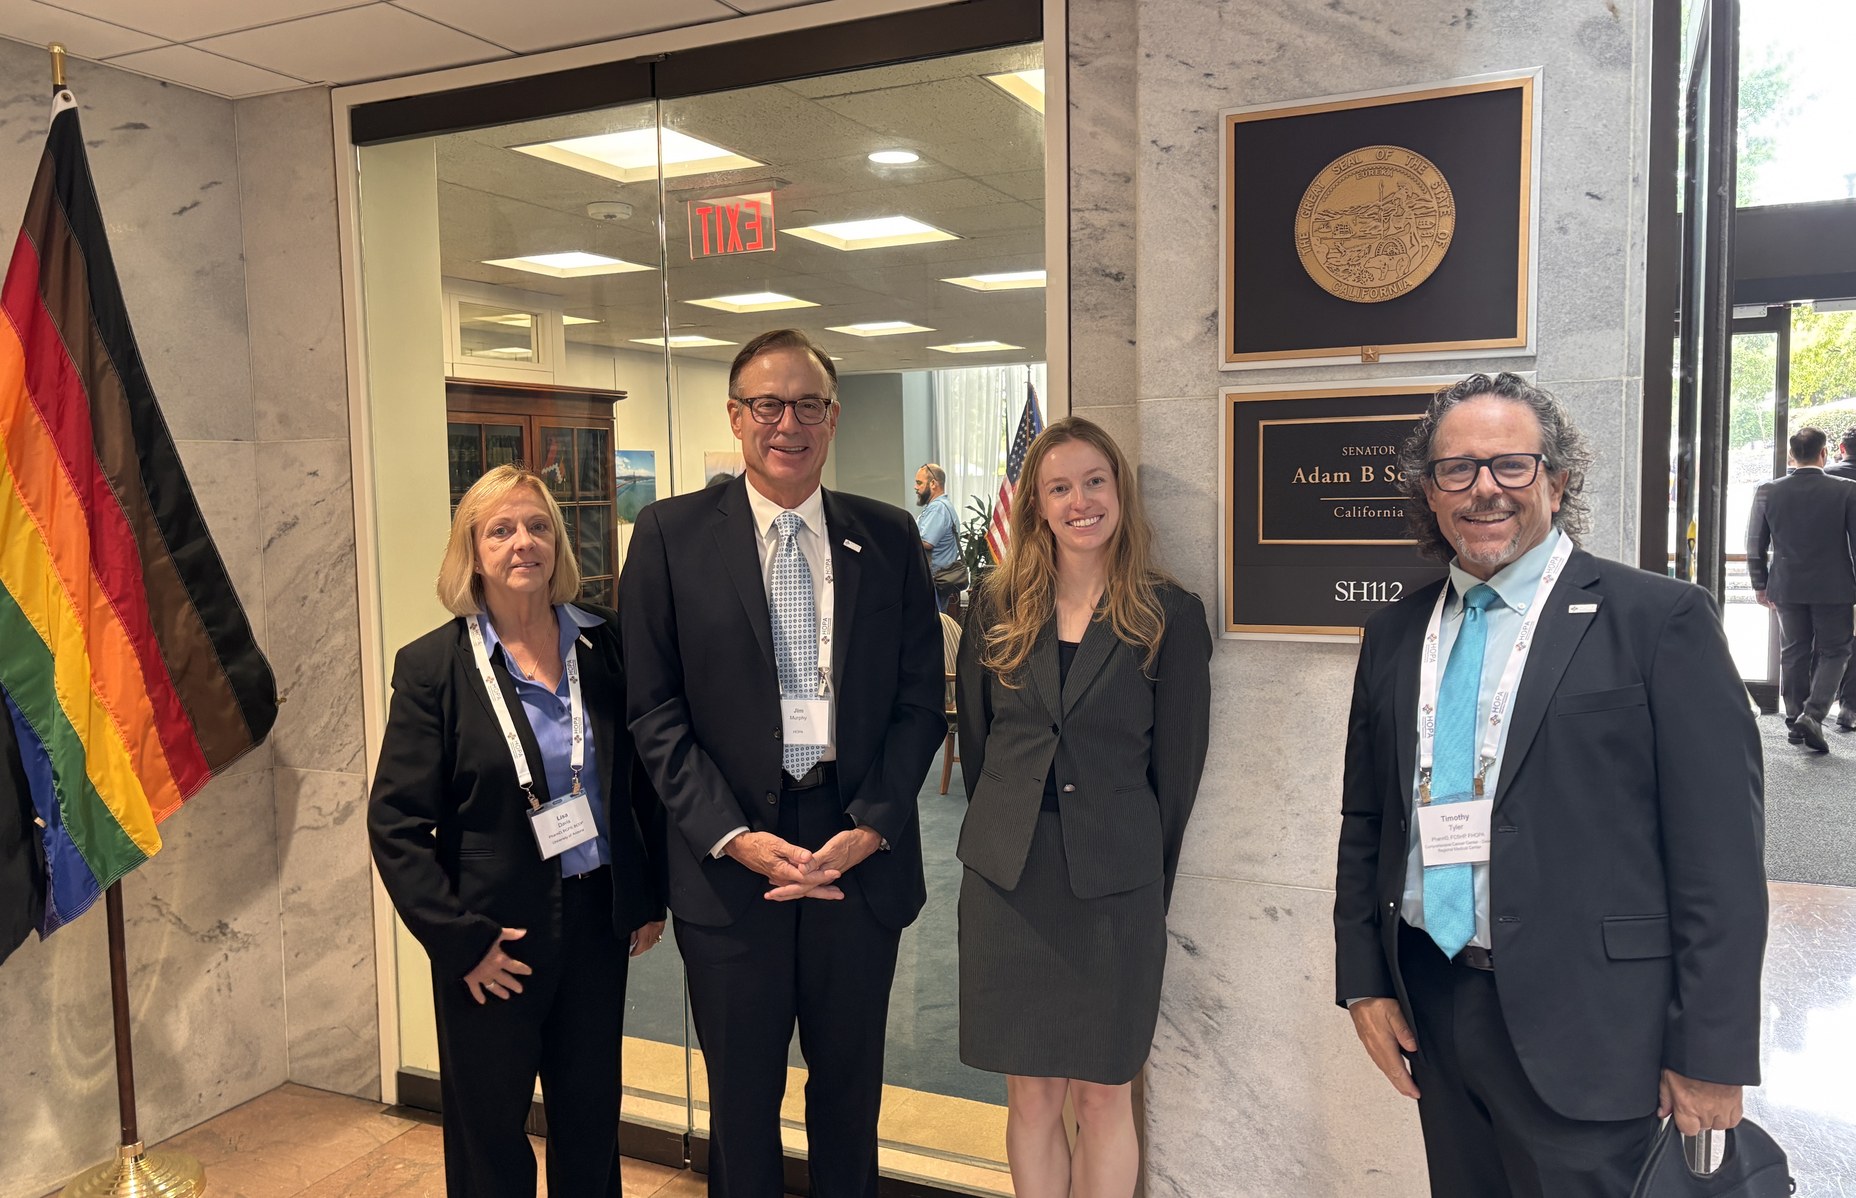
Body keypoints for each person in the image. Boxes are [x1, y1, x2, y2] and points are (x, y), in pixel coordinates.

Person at [1333, 373, 1766, 1197]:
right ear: (1429, 492)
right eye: (1456, 470)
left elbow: (1721, 858)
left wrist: (1709, 1052)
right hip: (1436, 1000)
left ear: (1558, 480)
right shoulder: (1396, 631)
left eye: (1511, 465)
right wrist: (1365, 978)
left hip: (1594, 1027)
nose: (1483, 489)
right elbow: (1368, 819)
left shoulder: (1659, 620)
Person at [619, 329, 944, 1198]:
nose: (788, 422)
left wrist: (873, 825)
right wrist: (731, 834)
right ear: (736, 417)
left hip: (855, 853)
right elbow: (653, 711)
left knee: (849, 1097)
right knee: (742, 1102)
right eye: (768, 404)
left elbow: (922, 701)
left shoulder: (887, 536)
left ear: (832, 419)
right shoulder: (669, 535)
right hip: (732, 866)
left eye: (808, 405)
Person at [368, 464, 667, 1198]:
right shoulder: (434, 667)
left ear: (558, 544)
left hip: (597, 923)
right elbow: (396, 823)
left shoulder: (607, 646)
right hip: (493, 934)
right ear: (472, 551)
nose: (522, 543)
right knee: (491, 1136)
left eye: (537, 526)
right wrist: (461, 941)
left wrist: (646, 892)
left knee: (592, 1121)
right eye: (500, 530)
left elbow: (642, 780)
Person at [955, 417, 1211, 1198]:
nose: (1079, 501)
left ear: (1119, 493)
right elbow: (977, 742)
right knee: (1030, 1093)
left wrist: (1139, 875)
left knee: (1104, 1094)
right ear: (1035, 504)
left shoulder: (1169, 613)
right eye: (1059, 487)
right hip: (1008, 885)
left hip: (1114, 889)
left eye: (1094, 481)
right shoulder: (994, 607)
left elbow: (1178, 771)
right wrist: (1010, 834)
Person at [1747, 426, 1856, 748]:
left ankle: (1795, 720)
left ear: (1791, 456)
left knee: (1793, 651)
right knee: (1836, 650)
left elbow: (1755, 543)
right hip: (1834, 587)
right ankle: (1814, 714)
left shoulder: (1768, 490)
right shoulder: (1847, 490)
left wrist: (1759, 583)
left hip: (1786, 585)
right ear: (1825, 453)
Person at [914, 462, 965, 612]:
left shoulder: (938, 508)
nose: (915, 487)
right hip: (937, 578)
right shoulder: (942, 505)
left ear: (933, 484)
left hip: (933, 579)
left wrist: (903, 537)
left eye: (919, 483)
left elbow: (927, 542)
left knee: (930, 624)